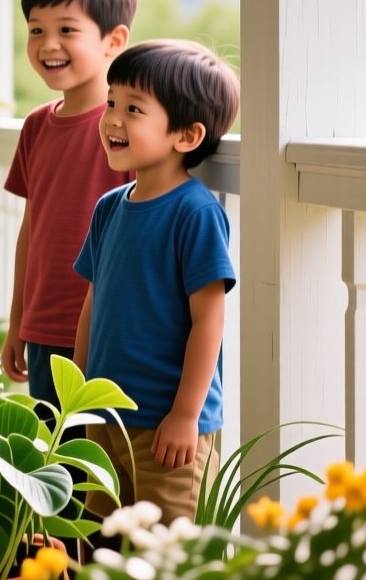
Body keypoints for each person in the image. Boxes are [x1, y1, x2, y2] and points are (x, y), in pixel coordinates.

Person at [72, 39, 241, 525]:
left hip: (165, 426)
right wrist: (79, 395)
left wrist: (186, 415)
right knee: (98, 544)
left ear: (186, 136)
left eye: (133, 109)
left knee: (168, 551)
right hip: (103, 418)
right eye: (111, 103)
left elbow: (209, 321)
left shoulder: (195, 213)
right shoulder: (110, 207)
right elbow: (94, 301)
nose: (112, 119)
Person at [0, 0, 137, 409]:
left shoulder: (129, 131)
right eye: (36, 30)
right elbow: (31, 230)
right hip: (44, 332)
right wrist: (18, 319)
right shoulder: (37, 126)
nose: (48, 44)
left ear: (113, 40)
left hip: (110, 332)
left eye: (67, 30)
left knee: (105, 469)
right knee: (59, 471)